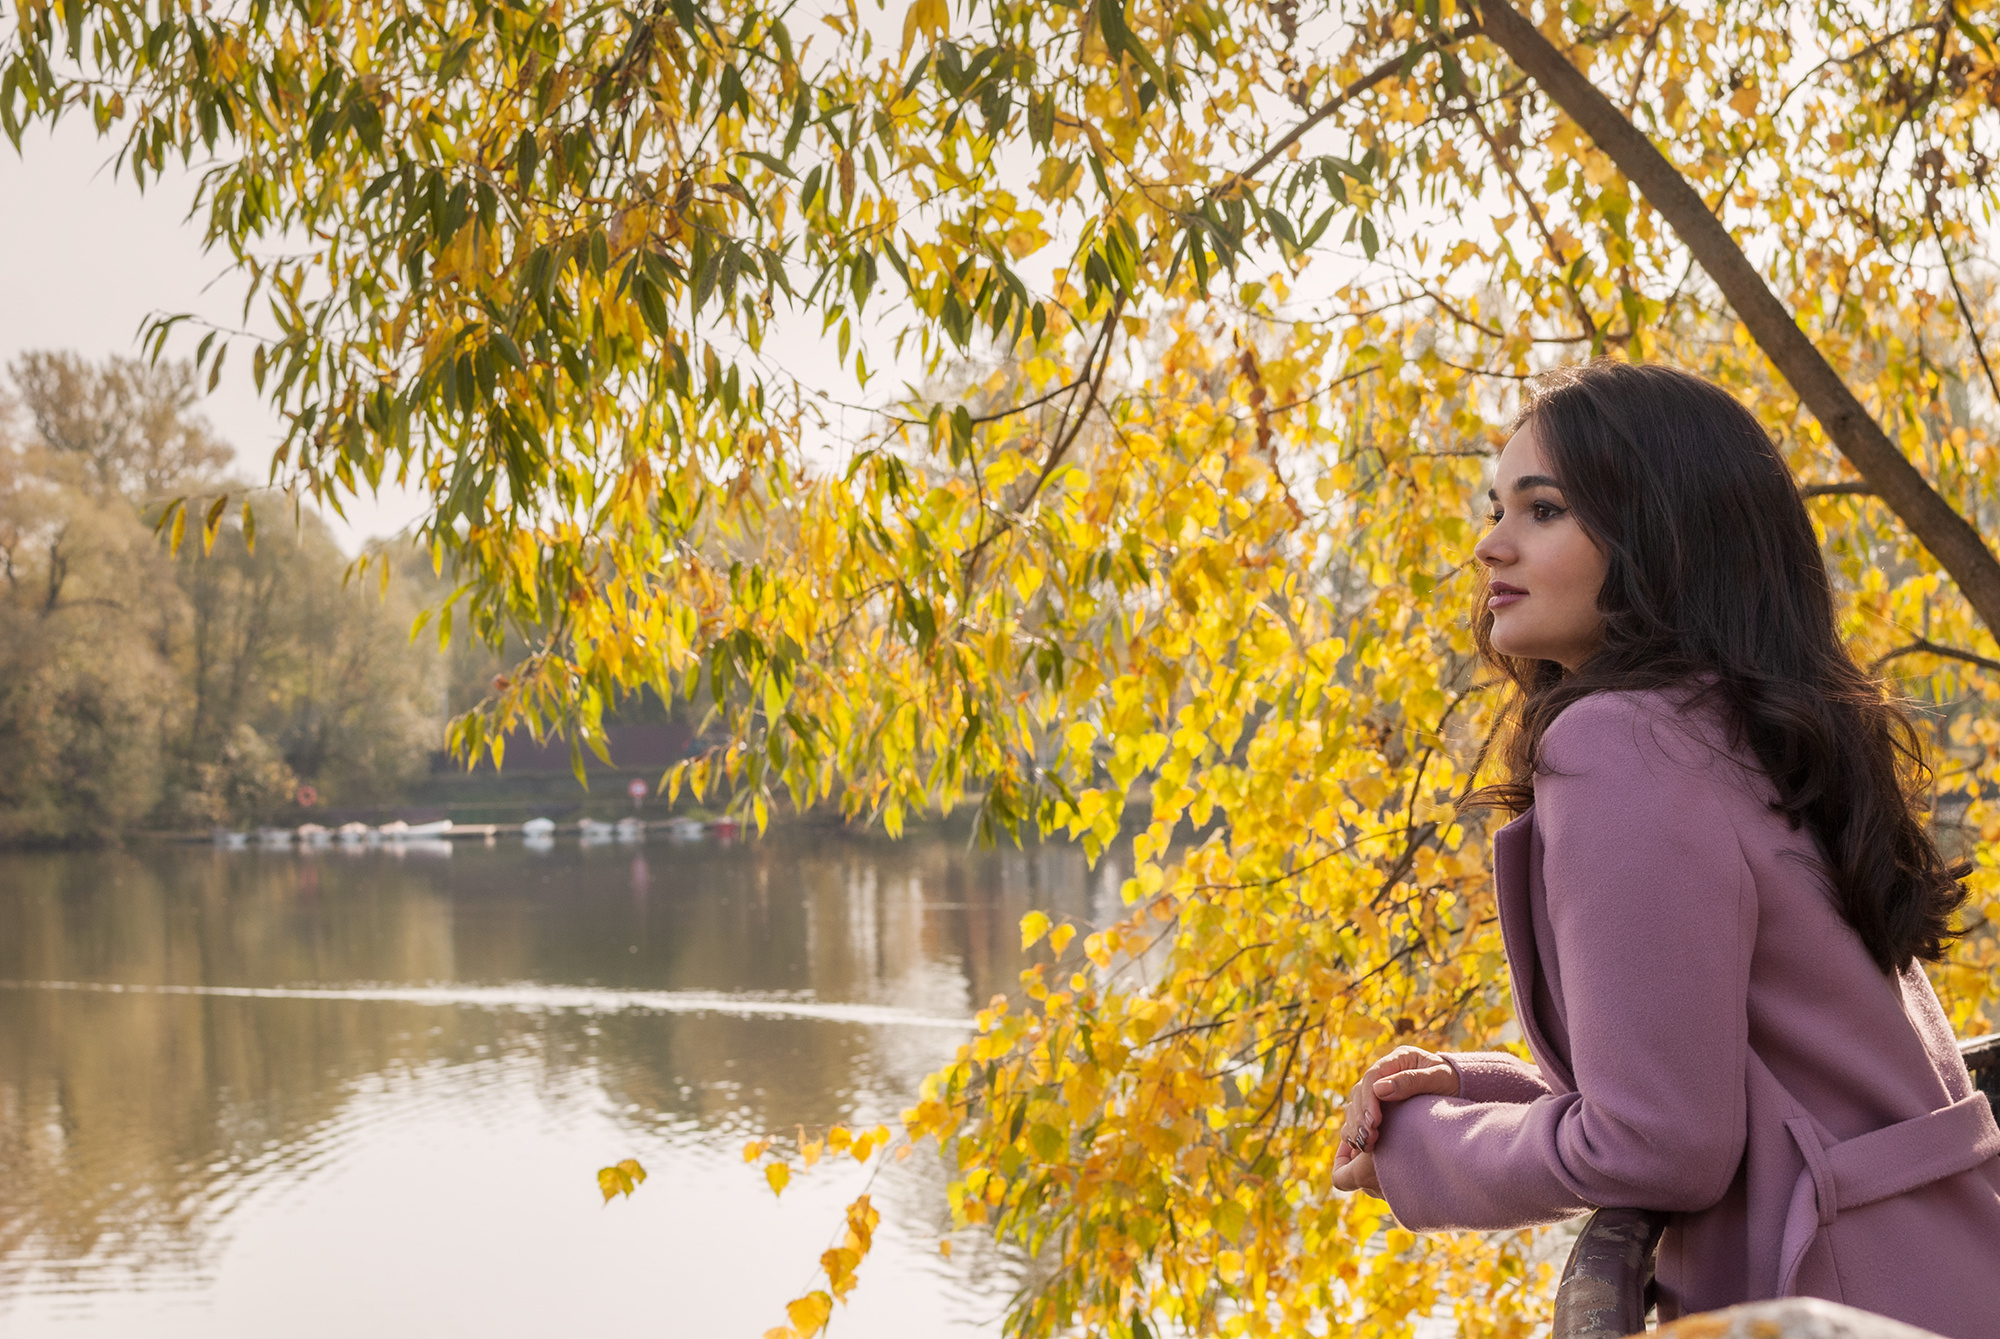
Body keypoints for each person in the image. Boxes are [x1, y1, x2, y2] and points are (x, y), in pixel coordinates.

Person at [1327, 362, 2000, 1334]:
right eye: (1494, 508)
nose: (1489, 544)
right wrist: (1482, 1086)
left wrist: (1423, 1146)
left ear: (1661, 531)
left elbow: (1657, 1143)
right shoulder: (1753, 730)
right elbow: (1740, 1076)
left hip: (1842, 1292)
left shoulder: (1617, 745)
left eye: (1543, 509)